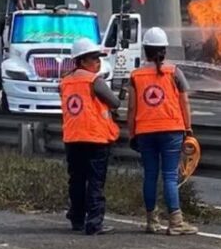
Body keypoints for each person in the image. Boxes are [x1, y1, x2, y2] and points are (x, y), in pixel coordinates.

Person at [126, 27, 198, 236]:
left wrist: (132, 134)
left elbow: (131, 108)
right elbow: (184, 100)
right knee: (169, 175)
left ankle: (151, 221)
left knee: (150, 175)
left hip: (145, 131)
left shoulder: (135, 76)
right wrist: (188, 127)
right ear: (164, 51)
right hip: (171, 129)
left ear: (145, 50)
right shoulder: (174, 72)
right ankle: (175, 222)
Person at [60, 38, 120, 235]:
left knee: (76, 180)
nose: (98, 62)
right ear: (82, 60)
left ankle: (77, 219)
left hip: (73, 138)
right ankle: (94, 222)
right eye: (94, 58)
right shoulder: (94, 81)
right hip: (95, 138)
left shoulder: (65, 81)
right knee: (95, 181)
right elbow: (115, 102)